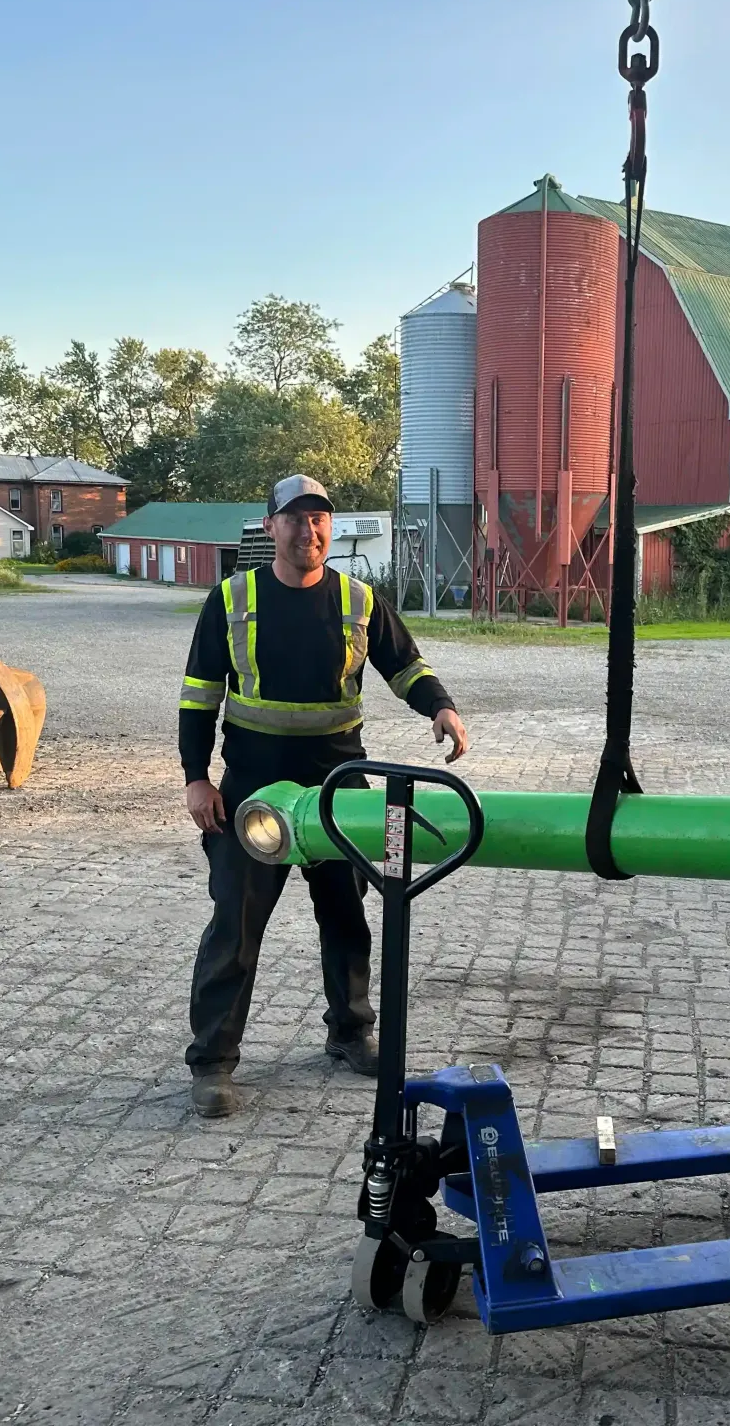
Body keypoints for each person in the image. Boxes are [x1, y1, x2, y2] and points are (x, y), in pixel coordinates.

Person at [178, 474, 468, 1117]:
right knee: (236, 925)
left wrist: (439, 707)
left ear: (328, 529)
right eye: (295, 518)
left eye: (319, 519)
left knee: (346, 917)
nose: (308, 530)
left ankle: (350, 1032)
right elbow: (199, 693)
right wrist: (196, 776)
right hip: (251, 790)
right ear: (271, 525)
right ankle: (213, 1063)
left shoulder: (360, 600)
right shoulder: (232, 598)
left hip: (339, 784)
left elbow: (406, 666)